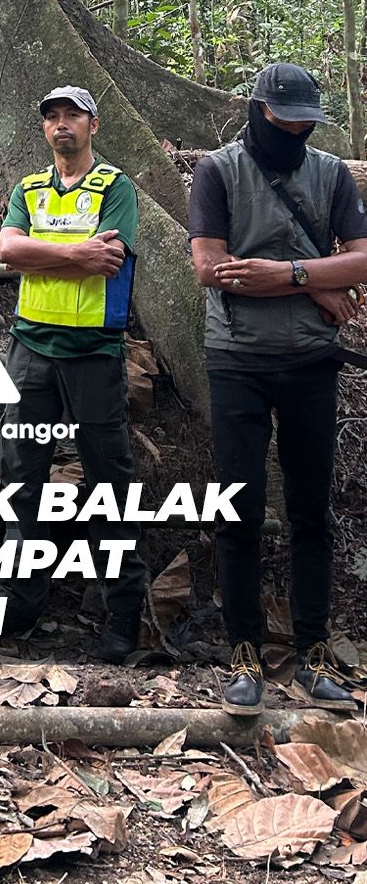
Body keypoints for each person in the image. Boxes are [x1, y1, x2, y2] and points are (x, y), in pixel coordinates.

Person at [187, 62, 367, 714]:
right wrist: (321, 278)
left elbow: (364, 256)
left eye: (305, 124)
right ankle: (244, 658)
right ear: (258, 111)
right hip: (235, 360)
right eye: (285, 121)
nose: (295, 132)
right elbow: (211, 267)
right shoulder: (217, 170)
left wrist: (287, 273)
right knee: (238, 511)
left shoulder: (330, 174)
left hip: (312, 362)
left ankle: (314, 656)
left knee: (311, 512)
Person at [0, 84, 148, 662]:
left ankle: (122, 616)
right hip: (30, 348)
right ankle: (19, 605)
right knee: (19, 476)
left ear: (94, 125)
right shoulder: (27, 189)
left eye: (73, 116)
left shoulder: (116, 187)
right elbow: (8, 250)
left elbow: (108, 255)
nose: (63, 125)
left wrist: (47, 249)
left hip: (94, 354)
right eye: (53, 117)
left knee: (110, 480)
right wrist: (72, 254)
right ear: (44, 129)